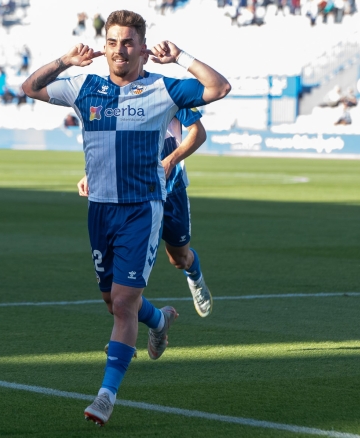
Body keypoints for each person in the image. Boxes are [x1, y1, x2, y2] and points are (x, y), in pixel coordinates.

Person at [21, 9, 230, 426]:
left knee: (121, 304)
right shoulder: (84, 87)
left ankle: (105, 396)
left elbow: (219, 87)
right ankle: (160, 320)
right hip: (100, 209)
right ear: (104, 47)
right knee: (112, 301)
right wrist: (65, 60)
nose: (120, 49)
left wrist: (182, 57)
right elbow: (30, 86)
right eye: (113, 42)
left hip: (142, 208)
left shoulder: (163, 88)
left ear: (143, 49)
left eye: (129, 42)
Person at [77, 55, 213, 319]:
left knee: (179, 258)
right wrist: (90, 172)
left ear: (142, 53)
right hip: (131, 195)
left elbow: (199, 132)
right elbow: (107, 143)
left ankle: (193, 275)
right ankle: (142, 323)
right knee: (119, 276)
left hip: (169, 188)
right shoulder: (109, 93)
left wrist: (171, 160)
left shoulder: (164, 89)